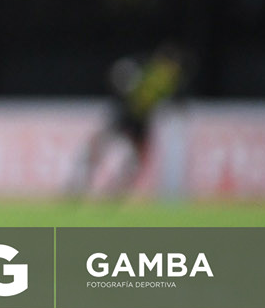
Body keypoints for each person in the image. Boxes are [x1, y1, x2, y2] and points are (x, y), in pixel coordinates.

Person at [69, 43, 185, 198]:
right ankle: (84, 185)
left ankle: (110, 191)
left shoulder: (168, 79)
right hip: (126, 115)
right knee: (102, 147)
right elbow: (120, 72)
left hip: (138, 120)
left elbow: (118, 71)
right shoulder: (148, 67)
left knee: (128, 157)